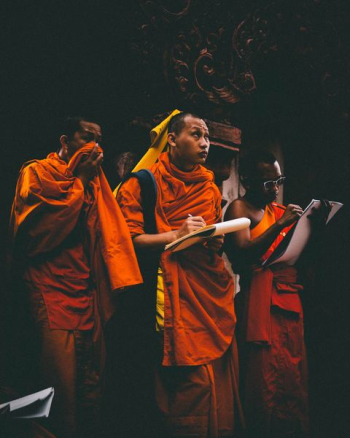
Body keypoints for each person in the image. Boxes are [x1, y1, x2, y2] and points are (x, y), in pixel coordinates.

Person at [8, 116, 142, 438]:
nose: (95, 146)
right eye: (86, 137)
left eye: (99, 139)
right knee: (58, 382)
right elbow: (40, 235)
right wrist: (79, 182)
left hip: (85, 290)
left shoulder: (97, 183)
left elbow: (106, 237)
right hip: (49, 288)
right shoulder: (38, 173)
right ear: (65, 141)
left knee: (89, 381)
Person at [116, 112, 243, 438]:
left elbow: (214, 242)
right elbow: (127, 241)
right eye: (196, 134)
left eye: (207, 137)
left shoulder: (209, 186)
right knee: (185, 379)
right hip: (164, 294)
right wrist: (176, 235)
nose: (205, 143)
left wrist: (215, 241)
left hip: (206, 290)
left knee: (212, 371)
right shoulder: (141, 183)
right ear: (172, 139)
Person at [224, 150, 309, 438]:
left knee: (291, 366)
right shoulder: (239, 208)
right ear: (247, 180)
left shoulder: (275, 210)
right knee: (262, 370)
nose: (275, 189)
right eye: (267, 183)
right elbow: (243, 253)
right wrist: (280, 225)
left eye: (278, 182)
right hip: (258, 298)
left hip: (285, 295)